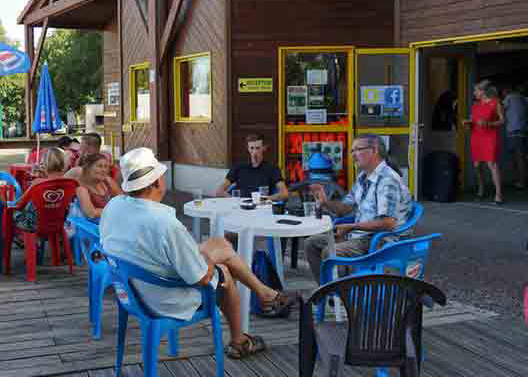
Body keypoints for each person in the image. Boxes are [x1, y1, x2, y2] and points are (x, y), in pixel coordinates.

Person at [101, 147, 299, 360]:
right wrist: (207, 257)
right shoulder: (164, 223)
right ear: (157, 182)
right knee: (223, 271)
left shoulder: (114, 206)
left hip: (131, 290)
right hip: (162, 297)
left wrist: (205, 252)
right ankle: (240, 339)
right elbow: (200, 277)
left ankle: (265, 294)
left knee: (219, 244)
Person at [304, 135, 413, 284]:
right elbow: (345, 208)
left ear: (374, 150)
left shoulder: (387, 180)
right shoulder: (363, 177)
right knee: (312, 243)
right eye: (352, 151)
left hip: (380, 240)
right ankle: (328, 293)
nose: (353, 155)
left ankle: (343, 294)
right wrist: (325, 203)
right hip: (361, 236)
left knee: (330, 252)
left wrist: (351, 227)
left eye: (357, 150)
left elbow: (388, 223)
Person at [463, 80, 505, 204]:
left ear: (483, 92)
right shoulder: (475, 105)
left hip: (490, 137)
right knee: (476, 165)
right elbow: (473, 122)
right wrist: (468, 123)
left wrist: (489, 123)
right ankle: (481, 188)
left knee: (491, 164)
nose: (474, 93)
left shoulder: (495, 103)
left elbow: (502, 120)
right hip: (476, 137)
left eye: (476, 90)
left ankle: (499, 194)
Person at [216, 134, 288, 201]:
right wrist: (235, 200)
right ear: (248, 149)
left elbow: (284, 194)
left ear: (264, 148)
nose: (254, 152)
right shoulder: (238, 167)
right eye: (252, 148)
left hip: (261, 207)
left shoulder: (272, 168)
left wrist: (265, 199)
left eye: (257, 148)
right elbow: (219, 191)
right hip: (241, 207)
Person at [12, 147, 68, 233]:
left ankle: (10, 240)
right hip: (60, 222)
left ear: (44, 164)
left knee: (10, 211)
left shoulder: (38, 183)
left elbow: (20, 204)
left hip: (35, 224)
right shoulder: (69, 183)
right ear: (65, 163)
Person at [76, 152, 121, 220]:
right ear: (88, 168)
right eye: (99, 166)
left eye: (106, 167)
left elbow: (122, 198)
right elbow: (91, 213)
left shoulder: (107, 181)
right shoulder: (82, 188)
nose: (104, 170)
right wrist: (115, 210)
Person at [501, 84, 526, 189]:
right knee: (521, 157)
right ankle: (520, 180)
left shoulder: (509, 98)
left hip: (513, 131)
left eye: (503, 93)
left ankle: (521, 181)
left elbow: (499, 110)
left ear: (507, 91)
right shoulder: (523, 98)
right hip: (523, 131)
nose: (503, 94)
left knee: (517, 158)